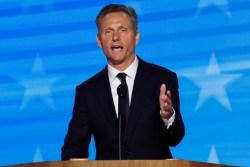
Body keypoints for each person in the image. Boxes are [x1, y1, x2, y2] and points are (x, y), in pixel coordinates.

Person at [61, 4, 185, 160]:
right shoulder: (87, 91)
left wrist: (168, 116)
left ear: (136, 37)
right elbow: (74, 147)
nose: (115, 37)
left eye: (123, 30)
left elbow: (175, 139)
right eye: (108, 31)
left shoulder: (162, 80)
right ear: (99, 40)